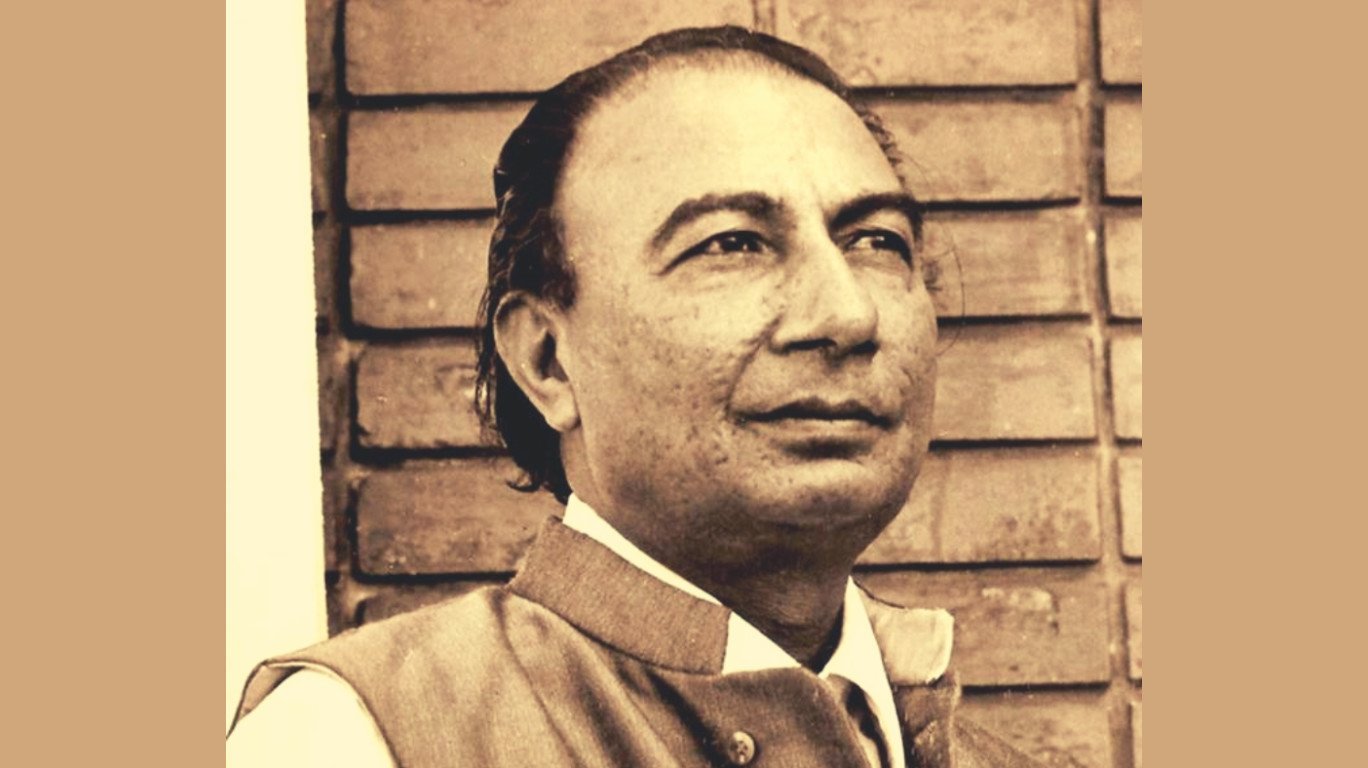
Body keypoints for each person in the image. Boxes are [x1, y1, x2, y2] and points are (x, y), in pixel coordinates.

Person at [228, 26, 1041, 768]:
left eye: (876, 241)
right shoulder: (353, 739)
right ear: (548, 361)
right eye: (732, 243)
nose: (846, 315)